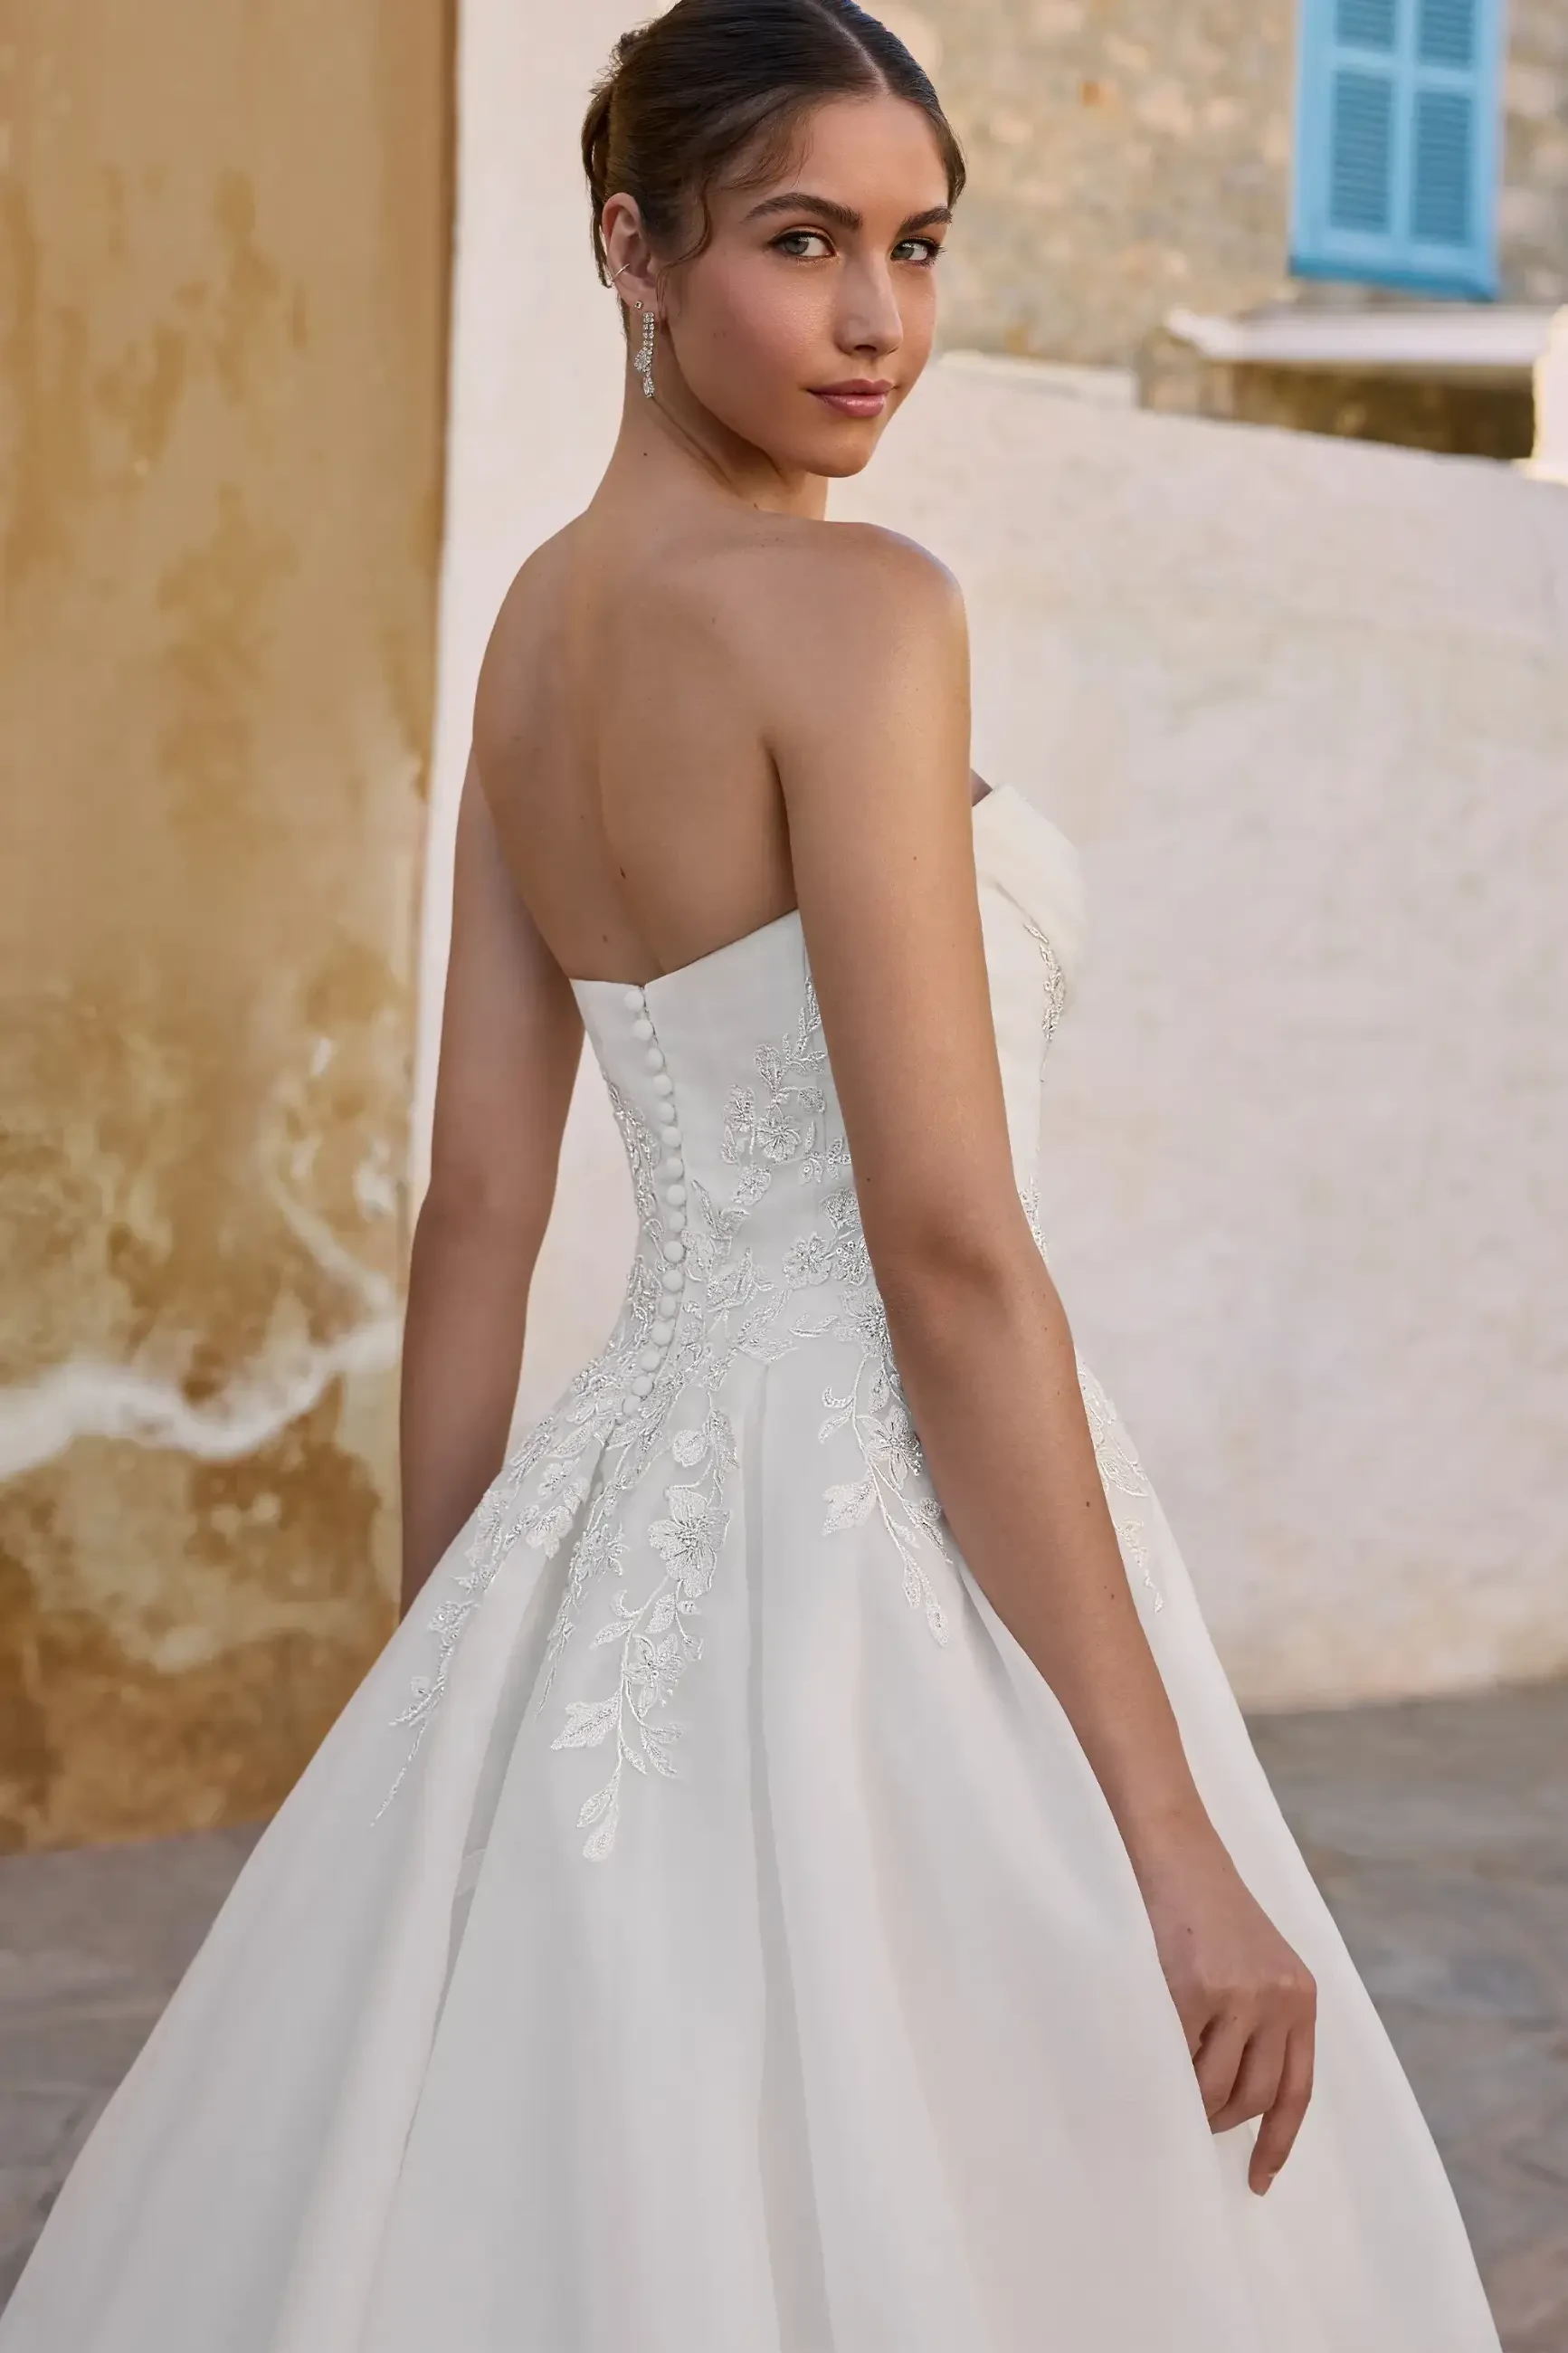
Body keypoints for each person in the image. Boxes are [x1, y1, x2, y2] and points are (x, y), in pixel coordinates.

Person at [2, 4, 1503, 2347]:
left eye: (917, 244)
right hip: (904, 1505)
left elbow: (472, 1220)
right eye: (802, 242)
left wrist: (448, 1684)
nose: (877, 319)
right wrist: (1173, 1840)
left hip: (610, 1509)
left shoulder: (526, 637)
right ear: (633, 244)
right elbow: (943, 1247)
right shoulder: (860, 612)